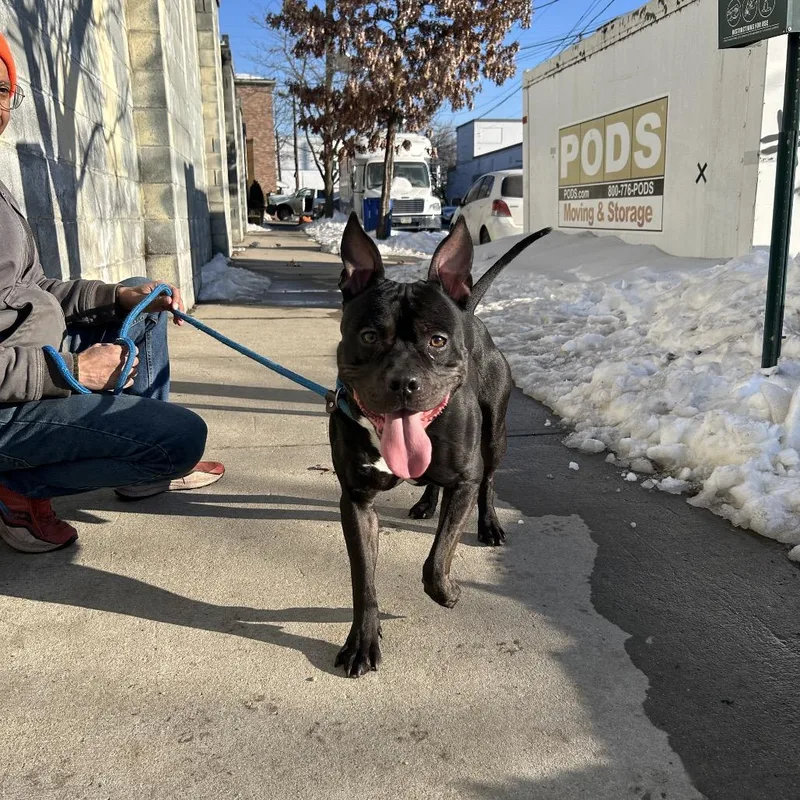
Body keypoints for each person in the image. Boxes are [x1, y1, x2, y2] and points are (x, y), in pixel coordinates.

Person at [0, 33, 224, 554]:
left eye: (2, 88)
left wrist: (116, 298)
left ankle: (138, 467)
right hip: (12, 402)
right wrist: (70, 372)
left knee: (139, 298)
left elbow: (31, 289)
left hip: (33, 366)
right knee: (182, 438)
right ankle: (18, 488)